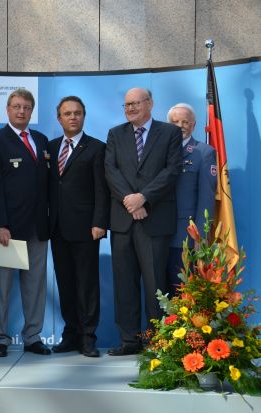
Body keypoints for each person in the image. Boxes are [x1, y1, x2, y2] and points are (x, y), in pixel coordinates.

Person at [104, 87, 182, 355]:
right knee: (124, 284)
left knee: (155, 286)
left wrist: (144, 198)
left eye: (136, 103)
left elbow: (171, 171)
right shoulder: (115, 134)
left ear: (150, 103)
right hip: (124, 221)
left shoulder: (170, 133)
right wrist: (130, 199)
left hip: (154, 219)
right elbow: (110, 170)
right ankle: (129, 340)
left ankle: (156, 341)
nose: (131, 109)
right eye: (127, 105)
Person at [0, 88, 51, 358]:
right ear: (7, 110)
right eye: (16, 107)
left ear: (32, 111)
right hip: (7, 229)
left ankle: (33, 336)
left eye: (26, 107)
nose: (21, 111)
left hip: (37, 227)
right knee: (1, 286)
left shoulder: (42, 140)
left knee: (35, 287)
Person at [48, 96, 109, 358]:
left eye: (77, 113)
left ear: (84, 116)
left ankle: (87, 338)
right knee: (66, 284)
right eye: (67, 113)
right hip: (57, 229)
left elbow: (101, 190)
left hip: (86, 229)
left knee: (87, 285)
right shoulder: (50, 148)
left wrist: (99, 223)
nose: (72, 117)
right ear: (59, 118)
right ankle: (70, 334)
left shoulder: (97, 147)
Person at [166, 103, 216, 295]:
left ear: (193, 125)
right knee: (160, 289)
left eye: (185, 121)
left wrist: (200, 235)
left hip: (184, 235)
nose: (180, 125)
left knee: (183, 291)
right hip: (158, 233)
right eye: (175, 121)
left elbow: (206, 197)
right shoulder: (159, 151)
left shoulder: (204, 153)